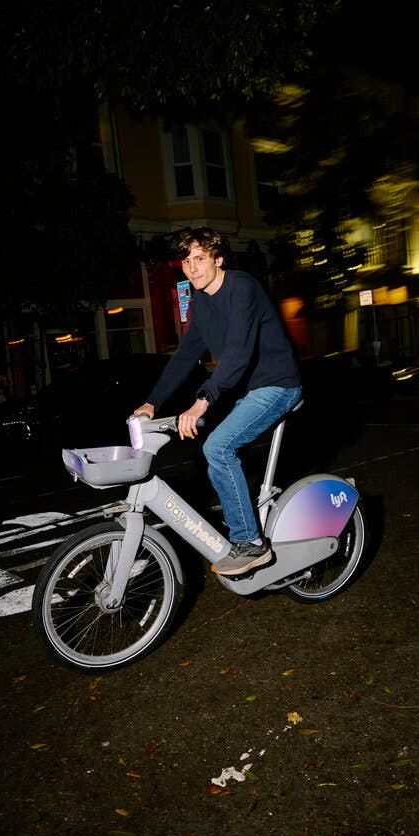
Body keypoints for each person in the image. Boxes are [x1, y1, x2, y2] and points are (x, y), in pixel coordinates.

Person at [133, 226, 303, 577]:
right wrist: (152, 402)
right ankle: (243, 514)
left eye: (200, 258)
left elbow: (238, 353)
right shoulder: (200, 302)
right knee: (214, 453)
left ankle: (250, 543)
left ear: (218, 259)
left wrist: (202, 400)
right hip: (246, 390)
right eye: (186, 261)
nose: (192, 268)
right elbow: (185, 356)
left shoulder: (242, 287)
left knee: (218, 447)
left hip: (278, 385)